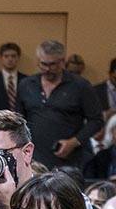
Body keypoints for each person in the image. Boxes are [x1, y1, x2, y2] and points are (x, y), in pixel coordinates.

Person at [17, 39, 103, 169]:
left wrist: (74, 142)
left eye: (52, 64)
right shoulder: (26, 85)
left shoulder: (80, 86)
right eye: (43, 64)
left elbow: (96, 120)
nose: (47, 69)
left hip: (68, 160)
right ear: (38, 61)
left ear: (62, 62)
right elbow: (18, 119)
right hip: (33, 161)